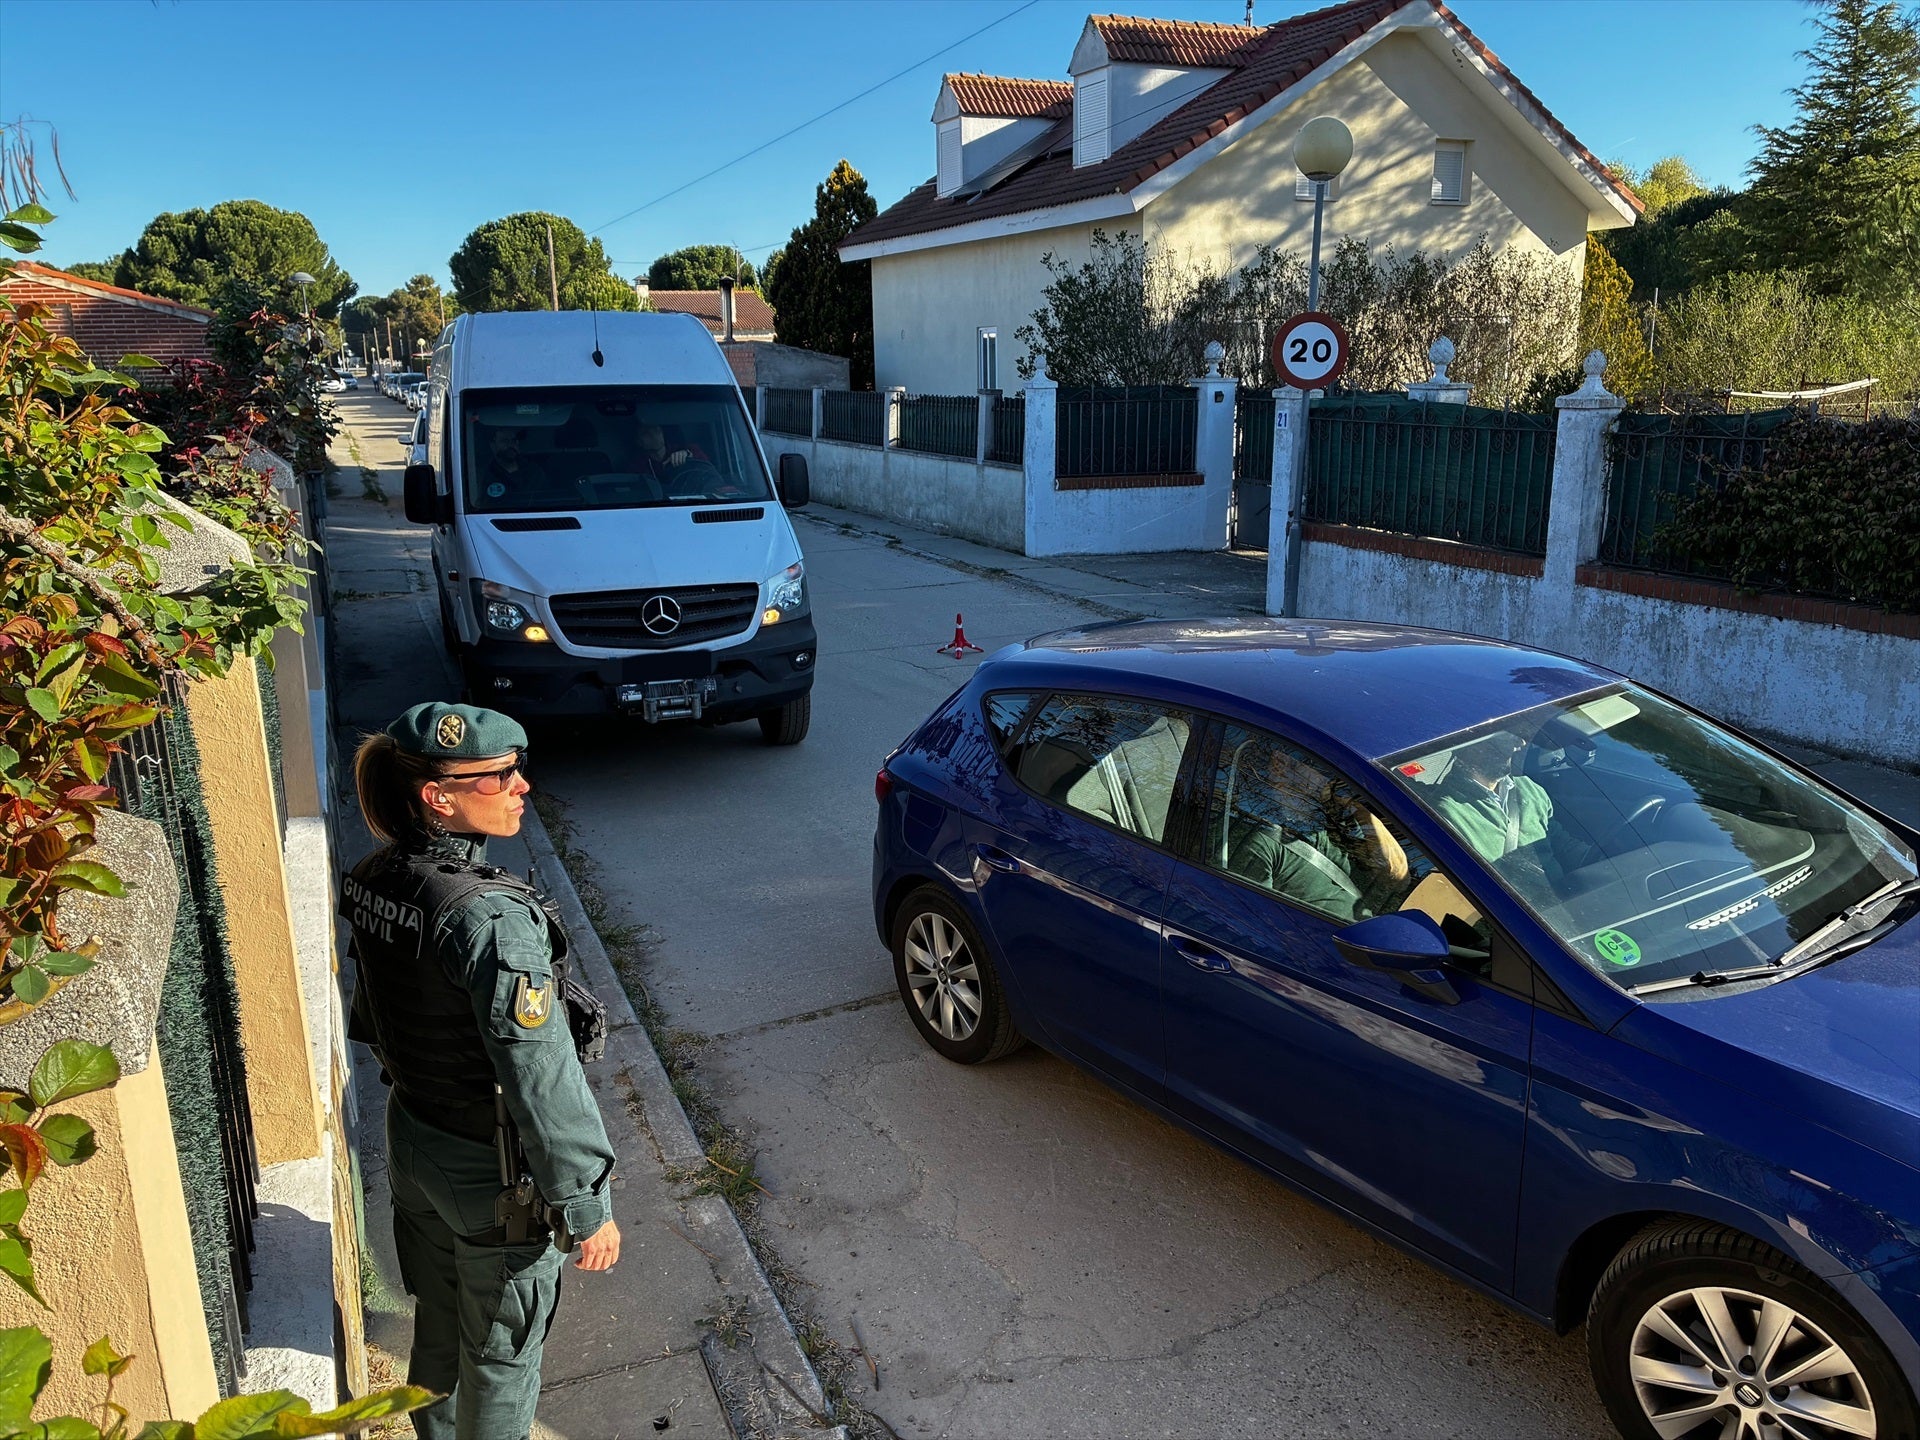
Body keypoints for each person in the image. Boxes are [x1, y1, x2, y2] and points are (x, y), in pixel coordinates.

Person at [342, 702, 619, 1440]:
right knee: (501, 1357)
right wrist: (585, 1202)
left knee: (438, 1324)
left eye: (518, 769)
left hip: (414, 1141)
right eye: (499, 776)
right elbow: (540, 1073)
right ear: (438, 796)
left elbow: (371, 1015)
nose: (521, 786)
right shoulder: (490, 919)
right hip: (488, 1176)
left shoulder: (375, 874)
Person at [1228, 740, 1410, 921]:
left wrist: (1359, 811)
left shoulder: (1335, 828)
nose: (1315, 782)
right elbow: (1258, 916)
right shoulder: (1265, 843)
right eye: (1282, 773)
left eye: (1311, 772)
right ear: (1277, 785)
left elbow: (1396, 878)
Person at [1431, 732, 1554, 863]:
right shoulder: (1447, 815)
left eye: (1516, 734)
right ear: (1468, 746)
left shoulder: (1531, 789)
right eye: (1503, 736)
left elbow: (1562, 844)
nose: (1521, 743)